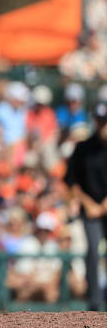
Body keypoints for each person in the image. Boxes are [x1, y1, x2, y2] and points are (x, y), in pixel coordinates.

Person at [64, 101, 107, 311]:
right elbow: (71, 181)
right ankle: (95, 303)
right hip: (90, 210)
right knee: (92, 250)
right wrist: (89, 204)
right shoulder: (83, 148)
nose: (102, 126)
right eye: (100, 121)